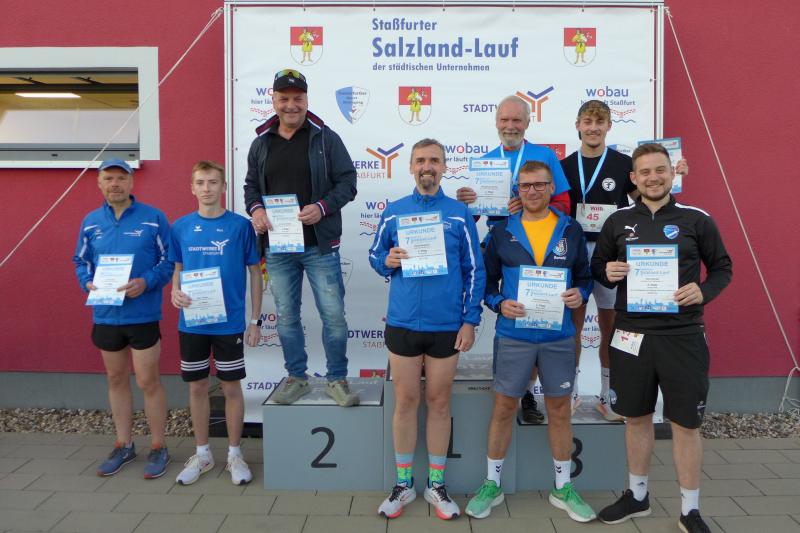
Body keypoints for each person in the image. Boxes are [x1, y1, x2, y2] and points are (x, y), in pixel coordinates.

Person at [592, 143, 732, 533]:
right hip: (631, 335)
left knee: (686, 423)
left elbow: (722, 267)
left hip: (683, 336)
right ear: (633, 178)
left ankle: (690, 510)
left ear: (672, 173)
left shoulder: (696, 219)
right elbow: (598, 266)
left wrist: (703, 290)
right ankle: (637, 496)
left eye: (660, 170)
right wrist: (608, 272)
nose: (653, 178)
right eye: (645, 172)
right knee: (635, 418)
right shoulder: (617, 221)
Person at [466, 161, 595, 523]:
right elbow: (487, 283)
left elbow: (585, 277)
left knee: (559, 410)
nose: (533, 191)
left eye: (539, 184)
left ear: (552, 187)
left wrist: (580, 294)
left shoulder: (570, 228)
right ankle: (491, 485)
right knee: (504, 407)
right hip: (514, 335)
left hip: (558, 336)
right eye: (525, 186)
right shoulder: (502, 231)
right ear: (517, 190)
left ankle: (563, 488)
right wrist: (498, 303)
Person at [369, 139, 485, 520]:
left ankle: (436, 484)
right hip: (403, 322)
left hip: (446, 326)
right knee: (405, 402)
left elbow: (475, 270)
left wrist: (470, 320)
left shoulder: (459, 214)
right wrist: (387, 260)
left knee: (439, 403)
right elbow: (374, 255)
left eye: (434, 160)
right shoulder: (394, 211)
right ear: (411, 167)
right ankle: (403, 484)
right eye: (420, 160)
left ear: (445, 167)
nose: (427, 166)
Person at [244, 69, 358, 406]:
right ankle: (297, 377)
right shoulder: (261, 143)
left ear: (306, 99)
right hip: (279, 247)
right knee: (287, 317)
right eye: (284, 98)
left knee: (333, 316)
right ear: (274, 100)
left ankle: (337, 379)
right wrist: (256, 210)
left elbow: (348, 182)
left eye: (298, 98)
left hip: (319, 246)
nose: (291, 105)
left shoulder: (325, 138)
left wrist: (322, 208)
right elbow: (251, 187)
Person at [457, 94, 572, 424]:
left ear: (527, 122)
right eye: (505, 120)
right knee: (504, 314)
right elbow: (474, 219)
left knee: (534, 318)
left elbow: (564, 205)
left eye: (517, 120)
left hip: (538, 249)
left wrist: (529, 206)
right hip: (500, 246)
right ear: (496, 122)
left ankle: (528, 393)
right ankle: (509, 388)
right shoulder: (486, 162)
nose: (510, 126)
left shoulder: (544, 156)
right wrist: (466, 204)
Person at [73, 158, 173, 479]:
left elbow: (168, 261)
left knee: (147, 381)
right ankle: (124, 444)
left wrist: (146, 282)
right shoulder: (91, 222)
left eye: (120, 178)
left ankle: (158, 446)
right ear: (99, 184)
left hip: (142, 314)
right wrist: (87, 282)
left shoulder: (154, 218)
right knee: (116, 379)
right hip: (106, 314)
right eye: (108, 178)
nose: (114, 184)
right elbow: (81, 261)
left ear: (131, 183)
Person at [169, 161, 262, 486]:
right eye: (200, 182)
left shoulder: (240, 226)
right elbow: (178, 268)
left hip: (229, 323)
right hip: (192, 322)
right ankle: (203, 454)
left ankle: (235, 454)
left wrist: (255, 320)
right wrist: (174, 291)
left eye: (212, 182)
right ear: (192, 188)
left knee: (231, 387)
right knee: (196, 387)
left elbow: (255, 273)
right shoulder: (180, 226)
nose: (206, 188)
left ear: (223, 187)